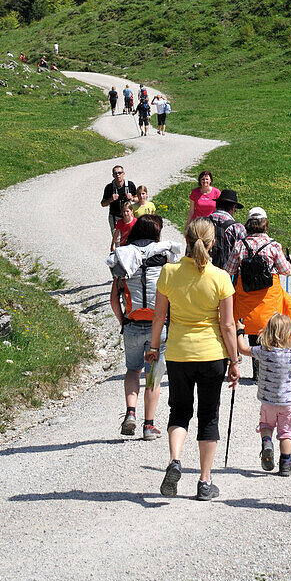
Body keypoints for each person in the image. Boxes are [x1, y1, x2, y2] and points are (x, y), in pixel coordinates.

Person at [148, 217, 240, 502]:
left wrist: (153, 347)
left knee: (179, 411)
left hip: (178, 353)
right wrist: (234, 361)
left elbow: (159, 316)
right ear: (212, 244)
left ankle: (175, 460)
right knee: (208, 415)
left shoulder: (169, 272)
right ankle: (204, 481)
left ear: (185, 240)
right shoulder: (221, 278)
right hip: (212, 355)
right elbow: (227, 326)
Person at [108, 214, 182, 440]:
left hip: (132, 323)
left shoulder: (123, 259)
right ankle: (149, 426)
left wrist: (124, 321)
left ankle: (130, 412)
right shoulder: (164, 259)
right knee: (153, 376)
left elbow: (114, 299)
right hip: (157, 326)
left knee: (132, 369)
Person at [237, 314, 291, 476]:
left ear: (268, 332)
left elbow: (242, 349)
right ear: (289, 334)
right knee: (285, 431)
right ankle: (285, 464)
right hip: (286, 402)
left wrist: (240, 332)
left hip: (267, 401)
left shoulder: (263, 351)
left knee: (266, 426)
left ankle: (267, 443)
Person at [226, 208, 291, 380]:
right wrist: (289, 261)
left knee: (250, 328)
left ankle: (256, 370)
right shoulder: (273, 246)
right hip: (268, 296)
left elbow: (229, 270)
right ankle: (267, 370)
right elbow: (286, 271)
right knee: (268, 328)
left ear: (248, 224)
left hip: (247, 294)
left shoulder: (240, 245)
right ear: (265, 224)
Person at [208, 189, 246, 270]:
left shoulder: (202, 222)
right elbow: (242, 254)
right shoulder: (237, 228)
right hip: (226, 273)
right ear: (233, 208)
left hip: (204, 270)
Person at [101, 165, 138, 240]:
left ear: (123, 173)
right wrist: (111, 199)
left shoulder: (130, 185)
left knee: (130, 237)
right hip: (115, 216)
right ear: (113, 175)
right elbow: (103, 204)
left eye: (119, 173)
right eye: (115, 173)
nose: (118, 175)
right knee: (118, 240)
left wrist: (132, 198)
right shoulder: (109, 187)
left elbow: (138, 198)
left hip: (128, 216)